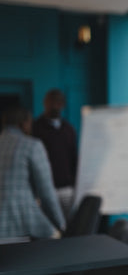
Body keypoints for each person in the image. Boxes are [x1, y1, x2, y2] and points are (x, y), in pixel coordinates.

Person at [0, 106, 66, 242]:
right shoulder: (31, 146)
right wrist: (60, 224)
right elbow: (46, 192)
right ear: (24, 124)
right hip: (22, 226)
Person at [32, 89, 78, 219]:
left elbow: (74, 158)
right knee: (47, 229)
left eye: (58, 102)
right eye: (51, 102)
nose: (54, 106)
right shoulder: (35, 128)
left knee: (68, 226)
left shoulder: (69, 129)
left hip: (67, 189)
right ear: (45, 103)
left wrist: (74, 184)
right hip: (43, 189)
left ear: (63, 104)